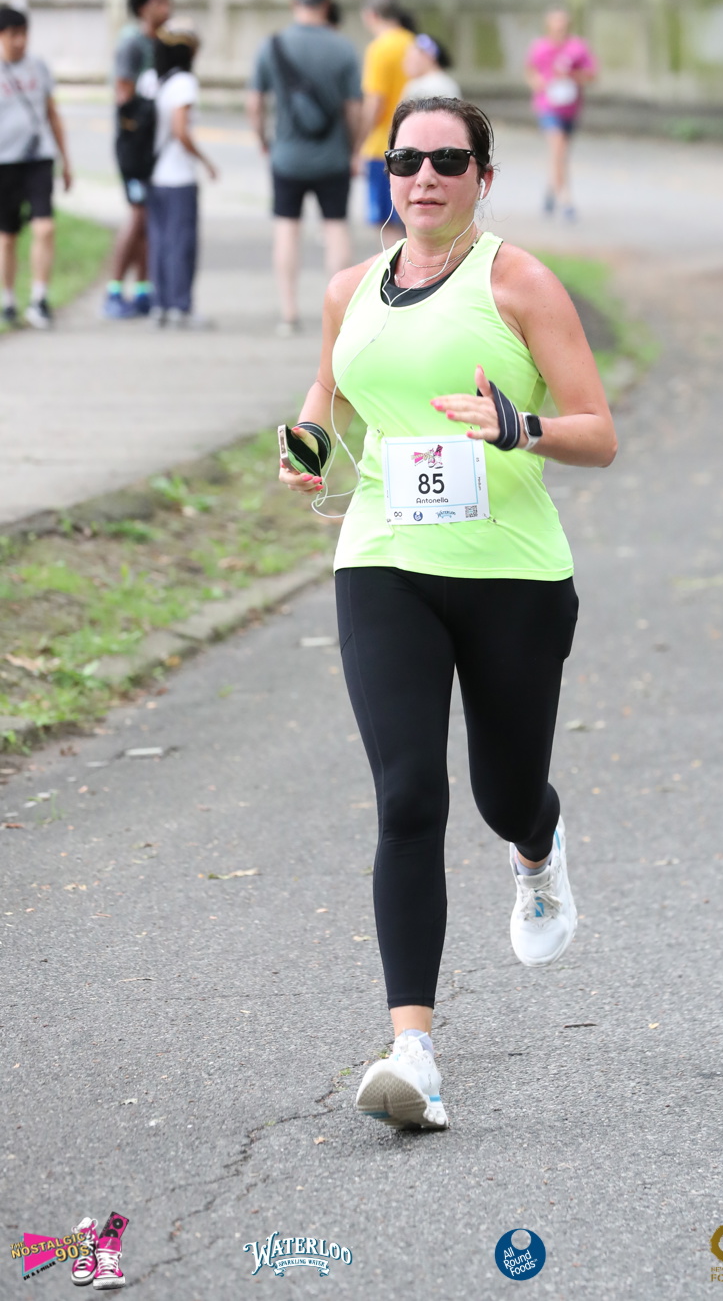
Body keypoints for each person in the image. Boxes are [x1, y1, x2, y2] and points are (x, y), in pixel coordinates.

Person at [279, 95, 617, 1130]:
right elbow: (327, 398)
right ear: (386, 172)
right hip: (384, 557)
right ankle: (413, 1055)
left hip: (512, 571)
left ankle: (535, 844)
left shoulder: (518, 283)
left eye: (448, 160)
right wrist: (305, 447)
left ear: (482, 177)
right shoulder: (349, 291)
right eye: (406, 159)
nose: (424, 176)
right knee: (408, 794)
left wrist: (518, 428)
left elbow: (597, 432)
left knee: (502, 792)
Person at [248, 0, 363, 337]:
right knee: (336, 228)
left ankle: (289, 312)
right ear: (326, 5)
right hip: (333, 158)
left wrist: (263, 140)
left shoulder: (272, 46)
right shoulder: (344, 49)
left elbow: (255, 103)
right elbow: (354, 109)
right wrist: (353, 148)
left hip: (286, 157)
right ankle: (340, 316)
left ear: (294, 4)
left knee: (286, 229)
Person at [137, 22, 217, 326]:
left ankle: (160, 305)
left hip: (152, 172)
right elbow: (181, 130)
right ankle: (181, 307)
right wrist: (206, 161)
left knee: (158, 241)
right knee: (181, 243)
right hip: (178, 175)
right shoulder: (184, 82)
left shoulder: (148, 80)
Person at [0, 4, 72, 331]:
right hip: (5, 162)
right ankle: (8, 300)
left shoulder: (38, 67)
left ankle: (39, 298)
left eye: (23, 34)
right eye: (12, 34)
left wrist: (65, 159)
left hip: (38, 159)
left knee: (45, 227)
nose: (19, 41)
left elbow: (52, 114)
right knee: (7, 237)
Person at [105, 0, 173, 319]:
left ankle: (144, 291)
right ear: (143, 7)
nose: (167, 8)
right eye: (160, 2)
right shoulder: (132, 43)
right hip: (134, 147)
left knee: (148, 218)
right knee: (137, 215)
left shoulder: (163, 42)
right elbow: (124, 96)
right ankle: (114, 290)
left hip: (154, 148)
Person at [525, 8, 597, 221]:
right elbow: (530, 71)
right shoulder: (540, 47)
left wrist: (572, 75)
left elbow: (592, 75)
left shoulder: (578, 47)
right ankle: (566, 201)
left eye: (563, 27)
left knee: (561, 154)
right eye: (555, 27)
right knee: (558, 149)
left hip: (571, 108)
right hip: (548, 107)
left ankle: (551, 190)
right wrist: (536, 82)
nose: (559, 30)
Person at [355, 0, 415, 237]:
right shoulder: (413, 42)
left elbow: (375, 102)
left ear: (371, 15)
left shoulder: (379, 48)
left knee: (386, 223)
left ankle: (396, 263)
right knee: (409, 220)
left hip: (382, 145)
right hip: (412, 142)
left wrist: (359, 141)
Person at [402, 34, 460, 101]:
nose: (404, 62)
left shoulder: (421, 86)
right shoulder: (449, 83)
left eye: (410, 58)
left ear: (427, 56)